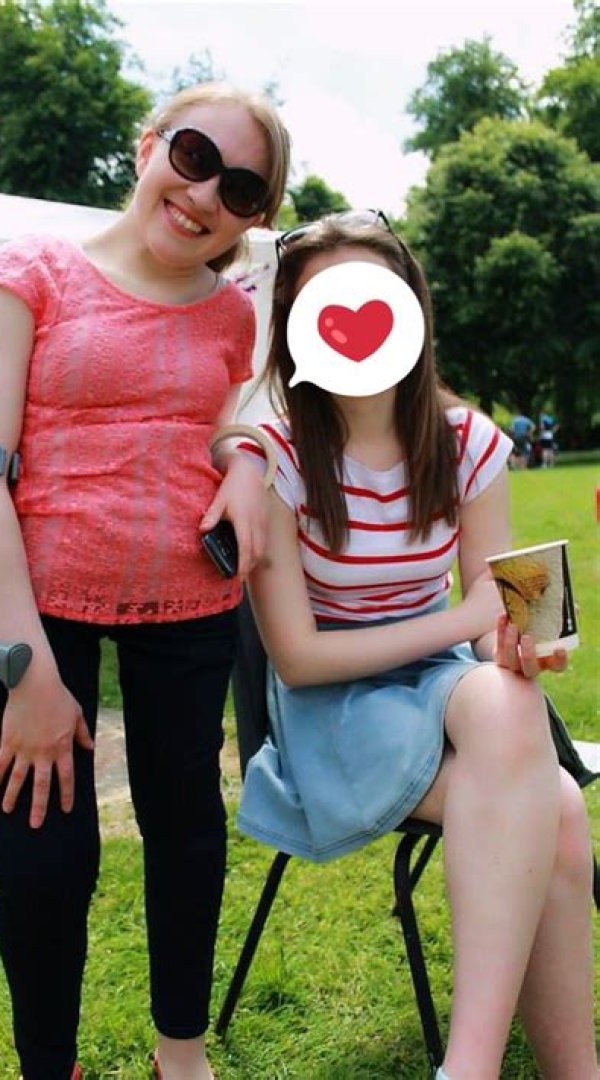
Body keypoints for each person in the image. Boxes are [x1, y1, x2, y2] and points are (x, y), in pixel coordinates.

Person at [0, 84, 290, 1080]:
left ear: (253, 216)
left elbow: (231, 418)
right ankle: (49, 1067)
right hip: (29, 611)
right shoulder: (27, 275)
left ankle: (181, 1054)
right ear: (147, 148)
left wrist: (249, 461)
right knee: (45, 858)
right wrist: (27, 672)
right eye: (193, 156)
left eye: (241, 187)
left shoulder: (233, 314)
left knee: (186, 832)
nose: (205, 195)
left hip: (188, 605)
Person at [236, 213, 597, 1079]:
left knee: (509, 699)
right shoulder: (277, 456)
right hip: (330, 708)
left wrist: (522, 644)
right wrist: (466, 617)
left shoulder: (469, 442)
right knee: (558, 807)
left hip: (443, 687)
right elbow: (298, 659)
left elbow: (502, 613)